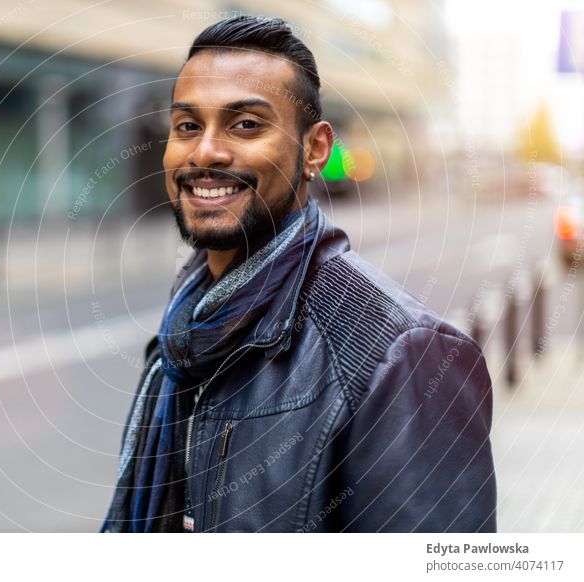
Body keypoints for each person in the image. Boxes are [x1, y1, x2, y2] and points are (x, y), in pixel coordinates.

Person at [101, 15, 496, 533]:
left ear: (315, 150)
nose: (205, 152)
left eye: (246, 124)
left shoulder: (402, 356)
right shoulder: (185, 336)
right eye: (187, 126)